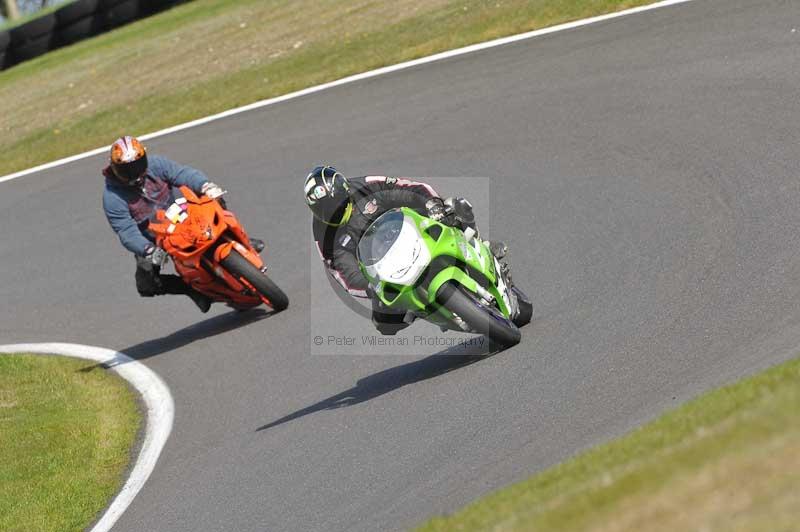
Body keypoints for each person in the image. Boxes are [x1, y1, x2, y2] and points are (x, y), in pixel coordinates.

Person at [304, 165, 506, 334]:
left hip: (411, 228)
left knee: (455, 206)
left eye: (335, 205)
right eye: (324, 210)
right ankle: (423, 310)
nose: (332, 213)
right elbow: (342, 272)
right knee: (384, 322)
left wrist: (432, 204)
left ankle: (481, 243)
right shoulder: (323, 234)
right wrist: (370, 287)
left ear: (345, 190)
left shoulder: (366, 185)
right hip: (384, 265)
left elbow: (407, 188)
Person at [102, 136, 262, 312]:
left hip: (181, 216)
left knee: (214, 200)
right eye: (126, 169)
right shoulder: (112, 197)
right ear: (114, 167)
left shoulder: (157, 165)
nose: (134, 173)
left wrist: (205, 185)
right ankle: (193, 291)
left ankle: (237, 240)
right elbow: (126, 231)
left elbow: (182, 174)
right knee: (146, 285)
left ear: (145, 158)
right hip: (154, 239)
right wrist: (147, 250)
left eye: (138, 165)